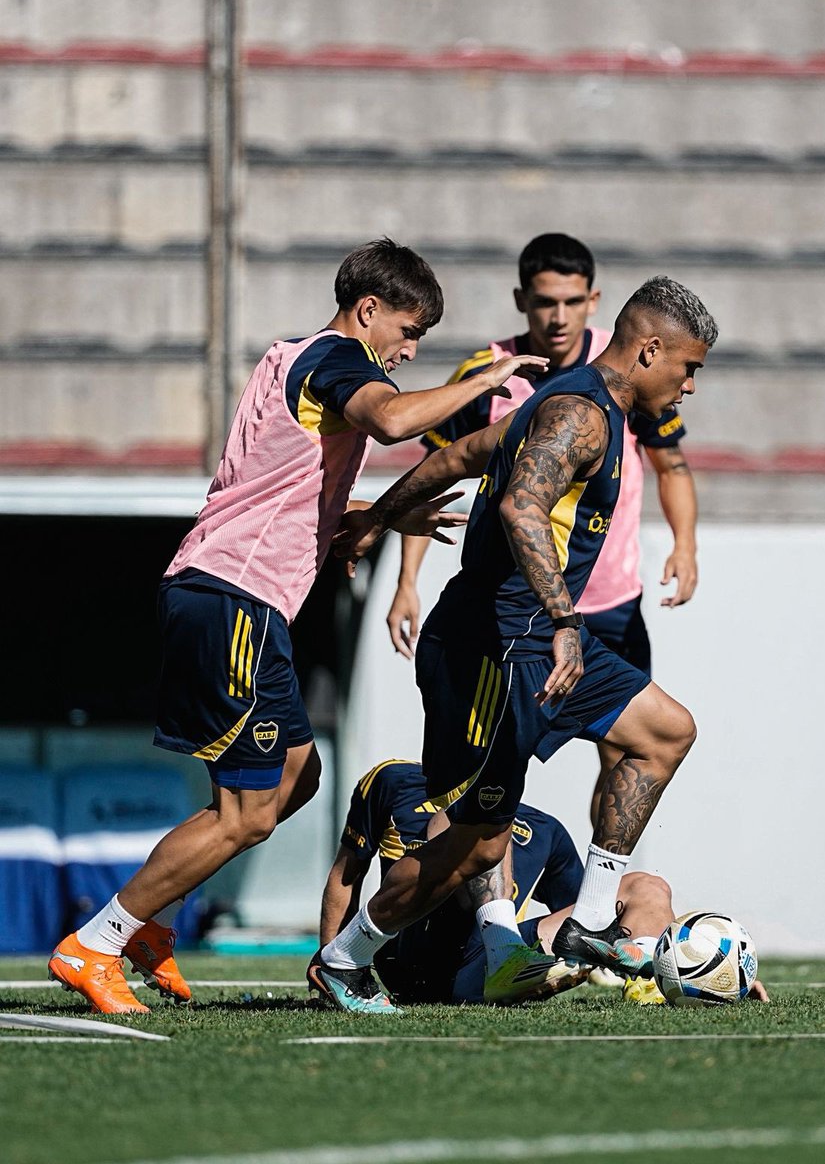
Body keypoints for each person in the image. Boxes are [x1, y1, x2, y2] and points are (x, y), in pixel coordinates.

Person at [48, 238, 547, 1016]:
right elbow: (390, 422)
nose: (409, 353)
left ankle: (146, 921)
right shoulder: (340, 361)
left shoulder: (292, 358)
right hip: (232, 601)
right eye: (408, 333)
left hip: (230, 595)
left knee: (297, 777)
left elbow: (270, 489)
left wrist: (365, 518)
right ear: (368, 310)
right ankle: (99, 941)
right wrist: (486, 380)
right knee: (245, 814)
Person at [311, 275, 718, 1015]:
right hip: (492, 647)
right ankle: (345, 959)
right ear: (651, 350)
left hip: (533, 636)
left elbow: (464, 453)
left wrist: (378, 521)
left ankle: (593, 920)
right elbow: (519, 502)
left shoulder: (579, 407)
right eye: (688, 367)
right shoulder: (580, 415)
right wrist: (567, 620)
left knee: (665, 731)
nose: (690, 385)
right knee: (474, 846)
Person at [384, 233, 699, 823]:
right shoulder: (497, 376)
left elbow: (672, 465)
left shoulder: (632, 373)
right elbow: (455, 462)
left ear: (593, 301)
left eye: (572, 302)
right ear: (522, 300)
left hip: (607, 602)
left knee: (642, 743)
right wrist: (405, 574)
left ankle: (592, 906)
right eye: (545, 302)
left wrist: (686, 544)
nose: (558, 317)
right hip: (526, 615)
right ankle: (429, 896)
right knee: (478, 822)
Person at [320, 757, 691, 1006]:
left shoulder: (546, 829)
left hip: (483, 972)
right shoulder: (393, 778)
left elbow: (586, 923)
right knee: (477, 825)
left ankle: (656, 979)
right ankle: (504, 958)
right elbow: (346, 875)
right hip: (411, 958)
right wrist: (324, 964)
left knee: (647, 887)